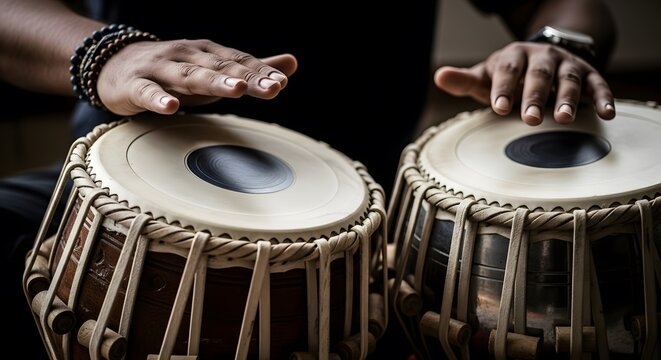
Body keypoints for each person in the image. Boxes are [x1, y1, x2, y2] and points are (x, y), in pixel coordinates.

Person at [0, 0, 616, 358]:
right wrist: (105, 52)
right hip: (114, 195)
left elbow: (575, 5)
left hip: (355, 235)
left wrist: (556, 44)